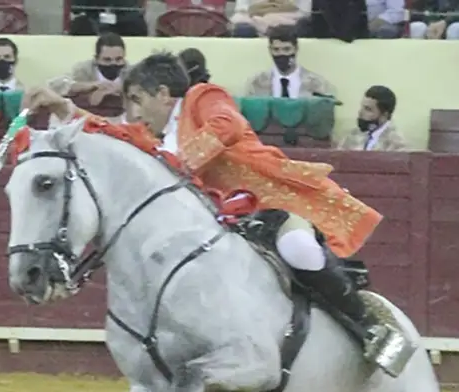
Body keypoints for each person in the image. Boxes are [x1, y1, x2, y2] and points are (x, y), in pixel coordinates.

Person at [22, 51, 389, 358]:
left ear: (163, 93)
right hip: (221, 221)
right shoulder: (155, 136)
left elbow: (227, 124)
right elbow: (114, 135)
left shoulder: (201, 97)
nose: (133, 113)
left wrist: (179, 165)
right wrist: (65, 109)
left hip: (271, 205)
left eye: (136, 100)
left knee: (298, 247)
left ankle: (370, 328)